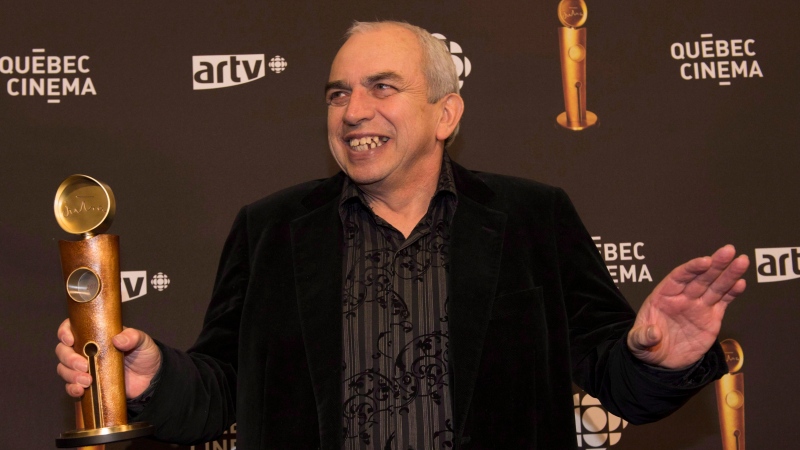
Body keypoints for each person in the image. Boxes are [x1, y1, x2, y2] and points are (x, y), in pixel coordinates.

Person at [56, 21, 750, 449]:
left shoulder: (534, 218)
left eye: (382, 87)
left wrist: (663, 359)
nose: (353, 110)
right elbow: (217, 394)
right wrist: (151, 380)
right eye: (337, 93)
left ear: (445, 113)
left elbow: (618, 382)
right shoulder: (270, 229)